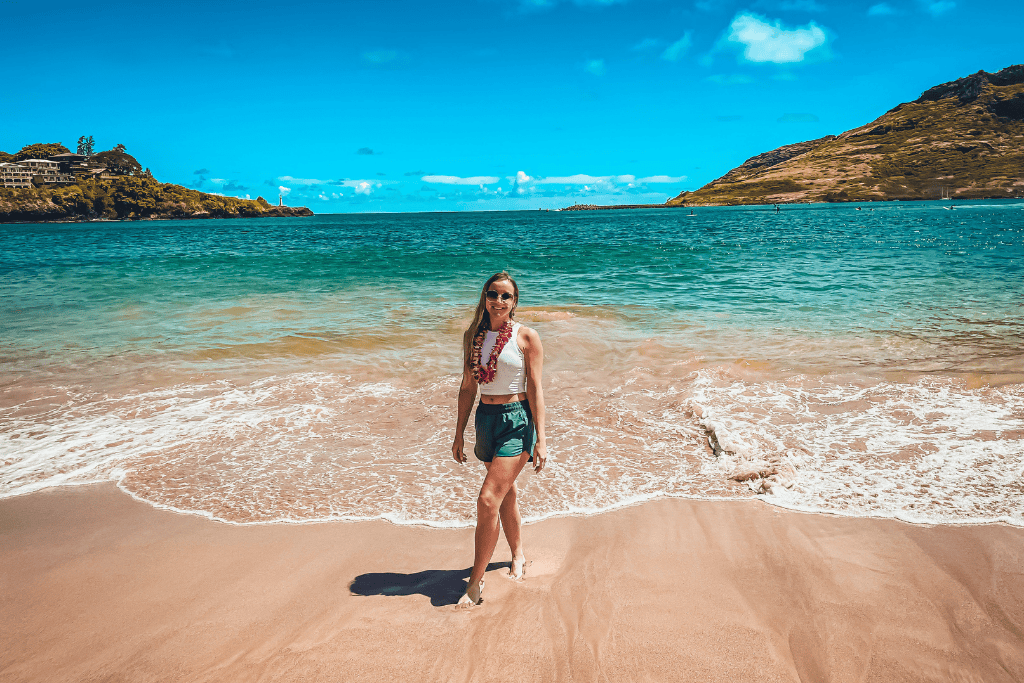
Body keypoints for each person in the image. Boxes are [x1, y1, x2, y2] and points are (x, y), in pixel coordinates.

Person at [451, 272, 547, 608]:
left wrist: (542, 440)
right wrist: (459, 433)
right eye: (493, 294)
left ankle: (474, 584)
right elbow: (468, 387)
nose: (499, 301)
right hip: (486, 421)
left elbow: (535, 388)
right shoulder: (473, 337)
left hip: (517, 421)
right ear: (484, 298)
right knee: (506, 494)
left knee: (488, 499)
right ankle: (518, 554)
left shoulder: (525, 337)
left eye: (506, 296)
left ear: (515, 301)